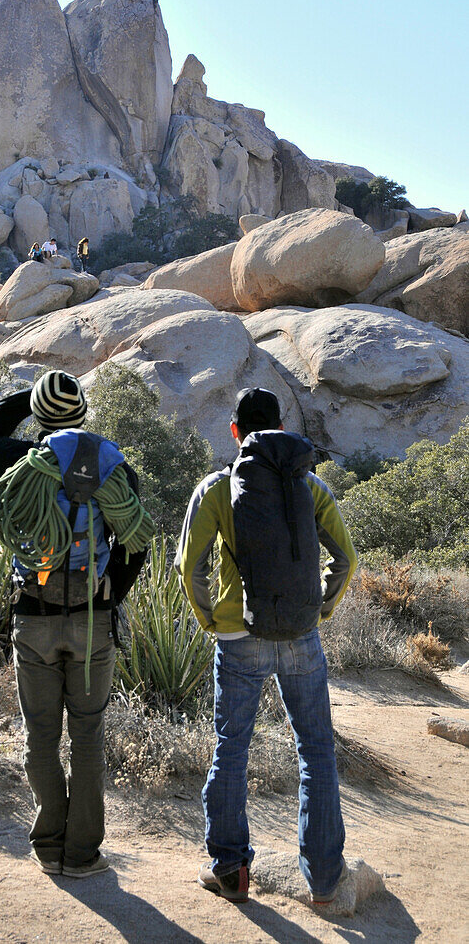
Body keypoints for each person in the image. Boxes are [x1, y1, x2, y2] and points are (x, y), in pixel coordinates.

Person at [0, 371, 151, 879]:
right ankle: (82, 854)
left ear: (41, 417)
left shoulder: (20, 462)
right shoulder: (115, 470)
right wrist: (106, 598)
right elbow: (136, 545)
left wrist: (33, 396)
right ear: (84, 414)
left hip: (34, 617)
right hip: (93, 620)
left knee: (40, 734)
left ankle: (48, 845)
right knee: (88, 735)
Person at [176, 388, 357, 906]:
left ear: (236, 432)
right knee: (316, 749)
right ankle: (324, 881)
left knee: (231, 749)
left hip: (238, 637)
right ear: (280, 427)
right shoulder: (309, 483)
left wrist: (211, 620)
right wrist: (320, 609)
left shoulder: (217, 487)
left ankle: (230, 872)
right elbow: (347, 558)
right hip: (301, 635)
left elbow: (189, 568)